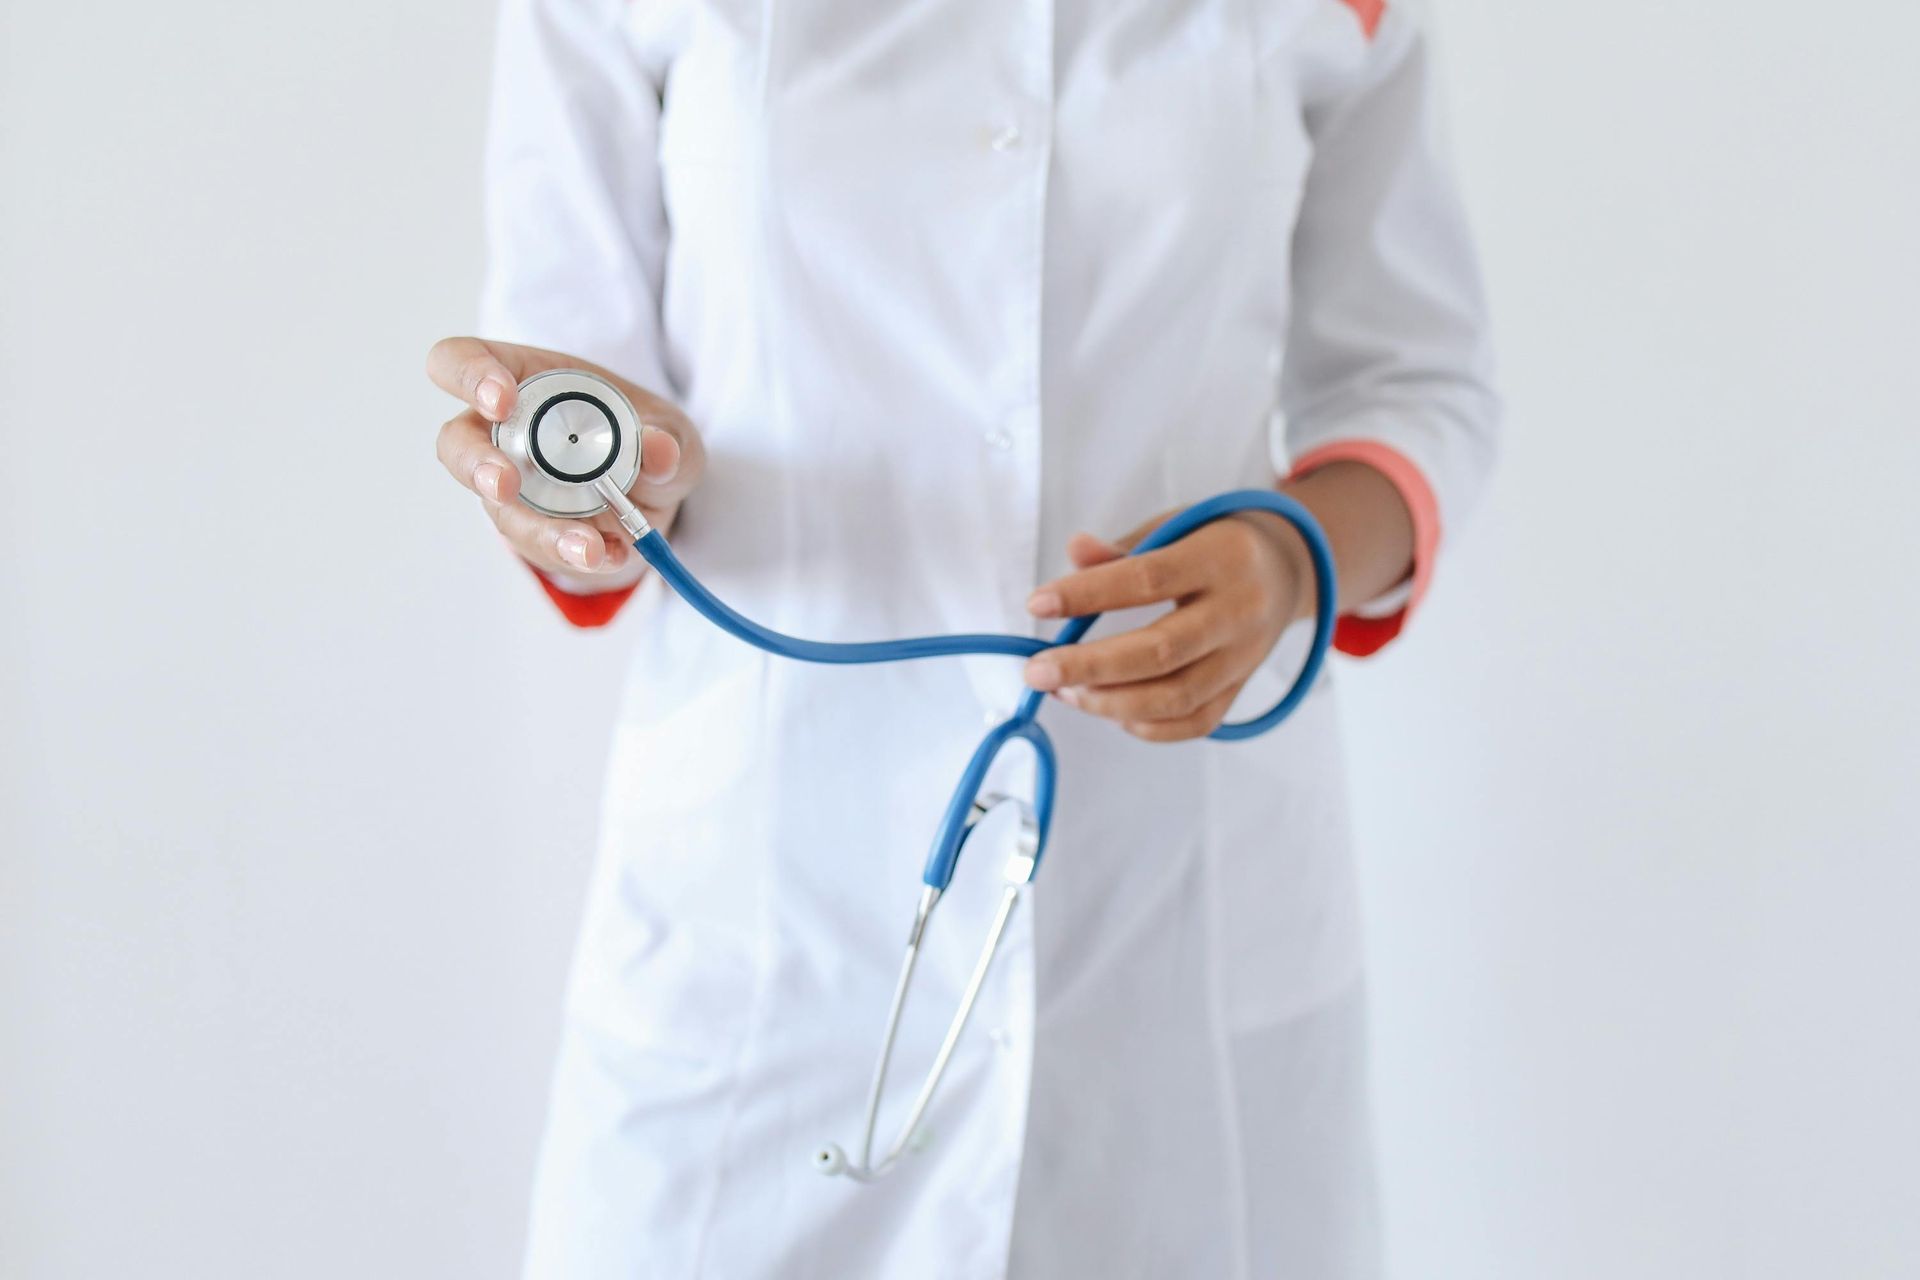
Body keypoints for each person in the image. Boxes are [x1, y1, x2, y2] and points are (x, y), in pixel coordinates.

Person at [429, 0, 1496, 1273]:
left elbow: (1416, 382)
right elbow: (566, 384)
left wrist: (1291, 557)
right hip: (766, 934)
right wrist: (587, 484)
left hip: (1176, 910)